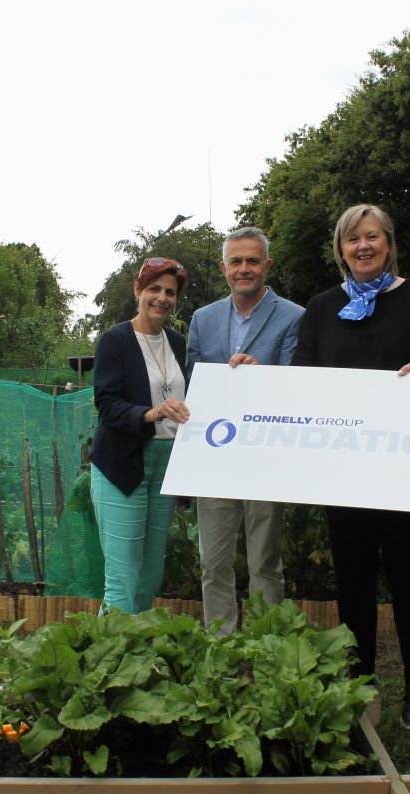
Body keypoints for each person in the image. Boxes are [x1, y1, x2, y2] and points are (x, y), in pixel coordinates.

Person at [292, 203, 410, 729]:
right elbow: (300, 377)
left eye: (372, 237)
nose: (363, 247)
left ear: (389, 242)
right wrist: (251, 377)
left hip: (406, 470)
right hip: (344, 472)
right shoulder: (320, 307)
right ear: (340, 250)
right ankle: (359, 680)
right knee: (354, 581)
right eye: (351, 240)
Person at [186, 227, 305, 635]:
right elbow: (193, 384)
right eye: (236, 261)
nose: (244, 269)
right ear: (224, 268)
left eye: (253, 261)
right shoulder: (202, 319)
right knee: (213, 561)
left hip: (264, 455)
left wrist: (263, 378)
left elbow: (298, 383)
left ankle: (265, 643)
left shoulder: (293, 316)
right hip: (214, 455)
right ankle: (221, 645)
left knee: (264, 560)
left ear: (267, 266)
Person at [89, 257, 191, 614]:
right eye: (154, 289)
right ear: (138, 290)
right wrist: (151, 414)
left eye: (170, 292)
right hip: (123, 463)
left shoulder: (177, 343)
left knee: (150, 574)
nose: (162, 298)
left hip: (165, 466)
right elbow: (107, 404)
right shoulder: (115, 340)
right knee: (123, 577)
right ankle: (112, 662)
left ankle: (140, 654)